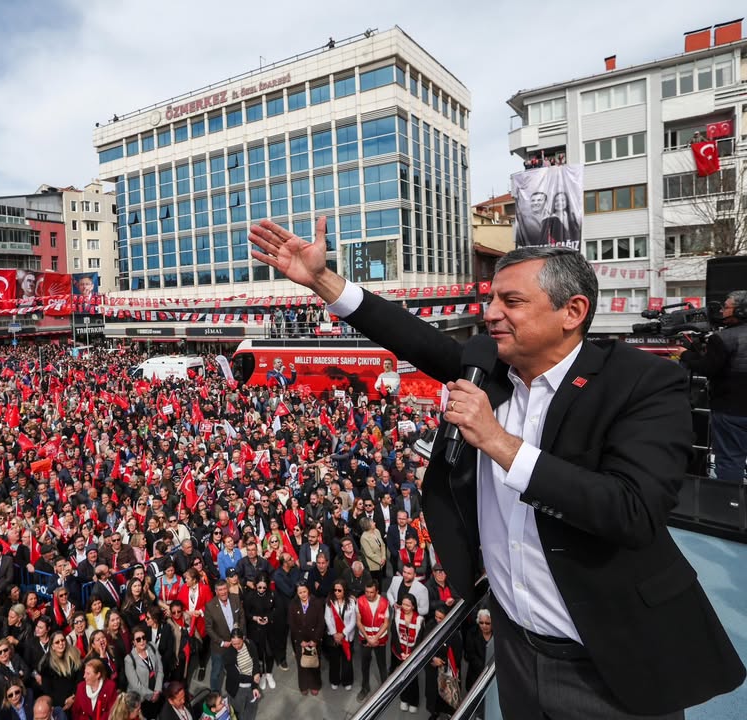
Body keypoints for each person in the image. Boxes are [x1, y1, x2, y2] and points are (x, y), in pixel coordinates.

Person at [250, 217, 745, 717]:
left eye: (511, 301)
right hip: (514, 648)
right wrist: (322, 280)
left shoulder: (643, 383)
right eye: (491, 300)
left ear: (572, 311)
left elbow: (632, 510)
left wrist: (499, 443)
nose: (490, 314)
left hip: (611, 658)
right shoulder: (492, 368)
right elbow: (411, 336)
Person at [681, 290, 747, 483]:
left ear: (741, 311)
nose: (722, 311)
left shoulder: (723, 338)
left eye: (726, 307)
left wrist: (685, 354)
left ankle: (729, 500)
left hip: (731, 411)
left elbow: (707, 368)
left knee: (730, 460)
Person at [202, 579, 243, 694]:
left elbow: (241, 616)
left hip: (235, 643)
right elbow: (208, 628)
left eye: (225, 589)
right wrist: (221, 642)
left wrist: (240, 635)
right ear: (216, 591)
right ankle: (214, 694)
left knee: (235, 667)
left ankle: (235, 689)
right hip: (219, 647)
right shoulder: (210, 606)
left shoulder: (235, 598)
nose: (223, 592)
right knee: (216, 672)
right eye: (220, 590)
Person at [286, 583, 324, 696]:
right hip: (300, 639)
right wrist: (300, 640)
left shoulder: (317, 603)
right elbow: (292, 624)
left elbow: (321, 623)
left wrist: (315, 640)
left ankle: (315, 685)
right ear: (297, 593)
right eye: (300, 592)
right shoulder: (293, 604)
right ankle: (303, 685)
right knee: (301, 664)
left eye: (304, 592)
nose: (303, 595)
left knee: (314, 663)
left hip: (314, 638)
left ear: (308, 591)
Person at [388, 594, 423, 714]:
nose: (405, 607)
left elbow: (419, 640)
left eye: (408, 605)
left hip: (413, 655)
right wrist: (401, 652)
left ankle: (414, 701)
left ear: (413, 606)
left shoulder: (419, 620)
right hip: (400, 653)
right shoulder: (397, 615)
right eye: (403, 604)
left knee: (413, 678)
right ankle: (404, 699)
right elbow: (394, 635)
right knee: (402, 677)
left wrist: (411, 654)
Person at [322, 581, 356, 691]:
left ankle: (347, 681)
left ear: (344, 590)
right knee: (334, 660)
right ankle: (334, 680)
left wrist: (343, 633)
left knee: (347, 659)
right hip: (334, 636)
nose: (336, 592)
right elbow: (327, 618)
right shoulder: (329, 601)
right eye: (335, 590)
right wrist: (334, 634)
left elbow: (353, 621)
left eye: (339, 590)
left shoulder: (351, 602)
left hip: (347, 636)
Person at [123, 627, 162, 720]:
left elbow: (160, 669)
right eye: (138, 639)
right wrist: (151, 695)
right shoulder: (129, 659)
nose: (142, 641)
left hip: (156, 692)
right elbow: (136, 685)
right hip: (141, 699)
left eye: (143, 638)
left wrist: (157, 690)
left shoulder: (152, 647)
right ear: (133, 642)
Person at [220, 630, 260, 720]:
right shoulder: (227, 655)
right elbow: (236, 677)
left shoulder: (250, 644)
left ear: (243, 639)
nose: (237, 646)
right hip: (237, 689)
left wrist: (254, 686)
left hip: (251, 684)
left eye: (239, 643)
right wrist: (253, 679)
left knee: (251, 708)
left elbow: (255, 662)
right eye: (234, 644)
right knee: (238, 712)